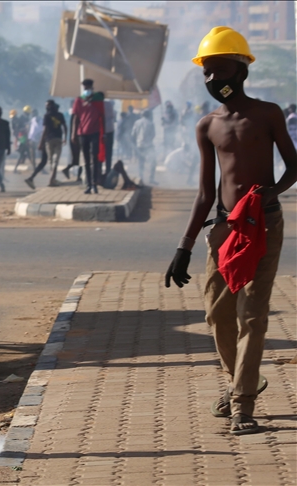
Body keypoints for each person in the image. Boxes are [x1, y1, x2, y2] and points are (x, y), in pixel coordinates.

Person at [164, 27, 297, 436]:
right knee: (217, 314)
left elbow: (294, 165)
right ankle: (242, 378)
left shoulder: (268, 114)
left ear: (241, 72)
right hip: (224, 227)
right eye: (206, 73)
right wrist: (184, 247)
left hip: (264, 222)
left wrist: (272, 191)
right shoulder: (207, 126)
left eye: (219, 71)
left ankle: (242, 405)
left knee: (252, 316)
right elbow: (206, 192)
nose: (212, 80)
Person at [72, 78, 105, 194]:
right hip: (82, 133)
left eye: (88, 88)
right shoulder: (79, 100)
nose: (86, 90)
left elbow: (102, 117)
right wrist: (73, 134)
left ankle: (95, 184)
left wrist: (104, 133)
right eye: (85, 88)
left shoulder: (98, 100)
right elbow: (76, 118)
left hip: (95, 132)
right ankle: (89, 185)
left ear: (92, 88)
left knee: (94, 158)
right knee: (86, 160)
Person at [26, 100, 66, 189]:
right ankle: (51, 179)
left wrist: (41, 142)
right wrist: (41, 143)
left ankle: (32, 178)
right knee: (52, 161)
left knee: (44, 161)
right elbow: (45, 130)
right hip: (50, 140)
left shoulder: (48, 115)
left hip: (46, 140)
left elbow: (45, 130)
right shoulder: (50, 116)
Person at [132, 110, 156, 185]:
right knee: (153, 161)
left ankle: (141, 178)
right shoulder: (150, 123)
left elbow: (133, 134)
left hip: (139, 145)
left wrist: (137, 141)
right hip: (148, 145)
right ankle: (151, 178)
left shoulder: (137, 122)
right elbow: (153, 135)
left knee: (141, 162)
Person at [12, 107, 32, 173]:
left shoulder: (27, 119)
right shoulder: (21, 119)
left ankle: (16, 168)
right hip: (22, 138)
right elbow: (17, 129)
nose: (28, 114)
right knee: (23, 154)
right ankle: (15, 169)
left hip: (26, 138)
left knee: (27, 154)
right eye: (27, 113)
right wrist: (19, 138)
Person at [103, 100, 116, 176]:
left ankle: (100, 170)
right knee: (108, 153)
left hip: (101, 130)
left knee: (100, 153)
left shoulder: (99, 103)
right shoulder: (109, 104)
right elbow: (112, 116)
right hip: (109, 130)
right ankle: (108, 170)